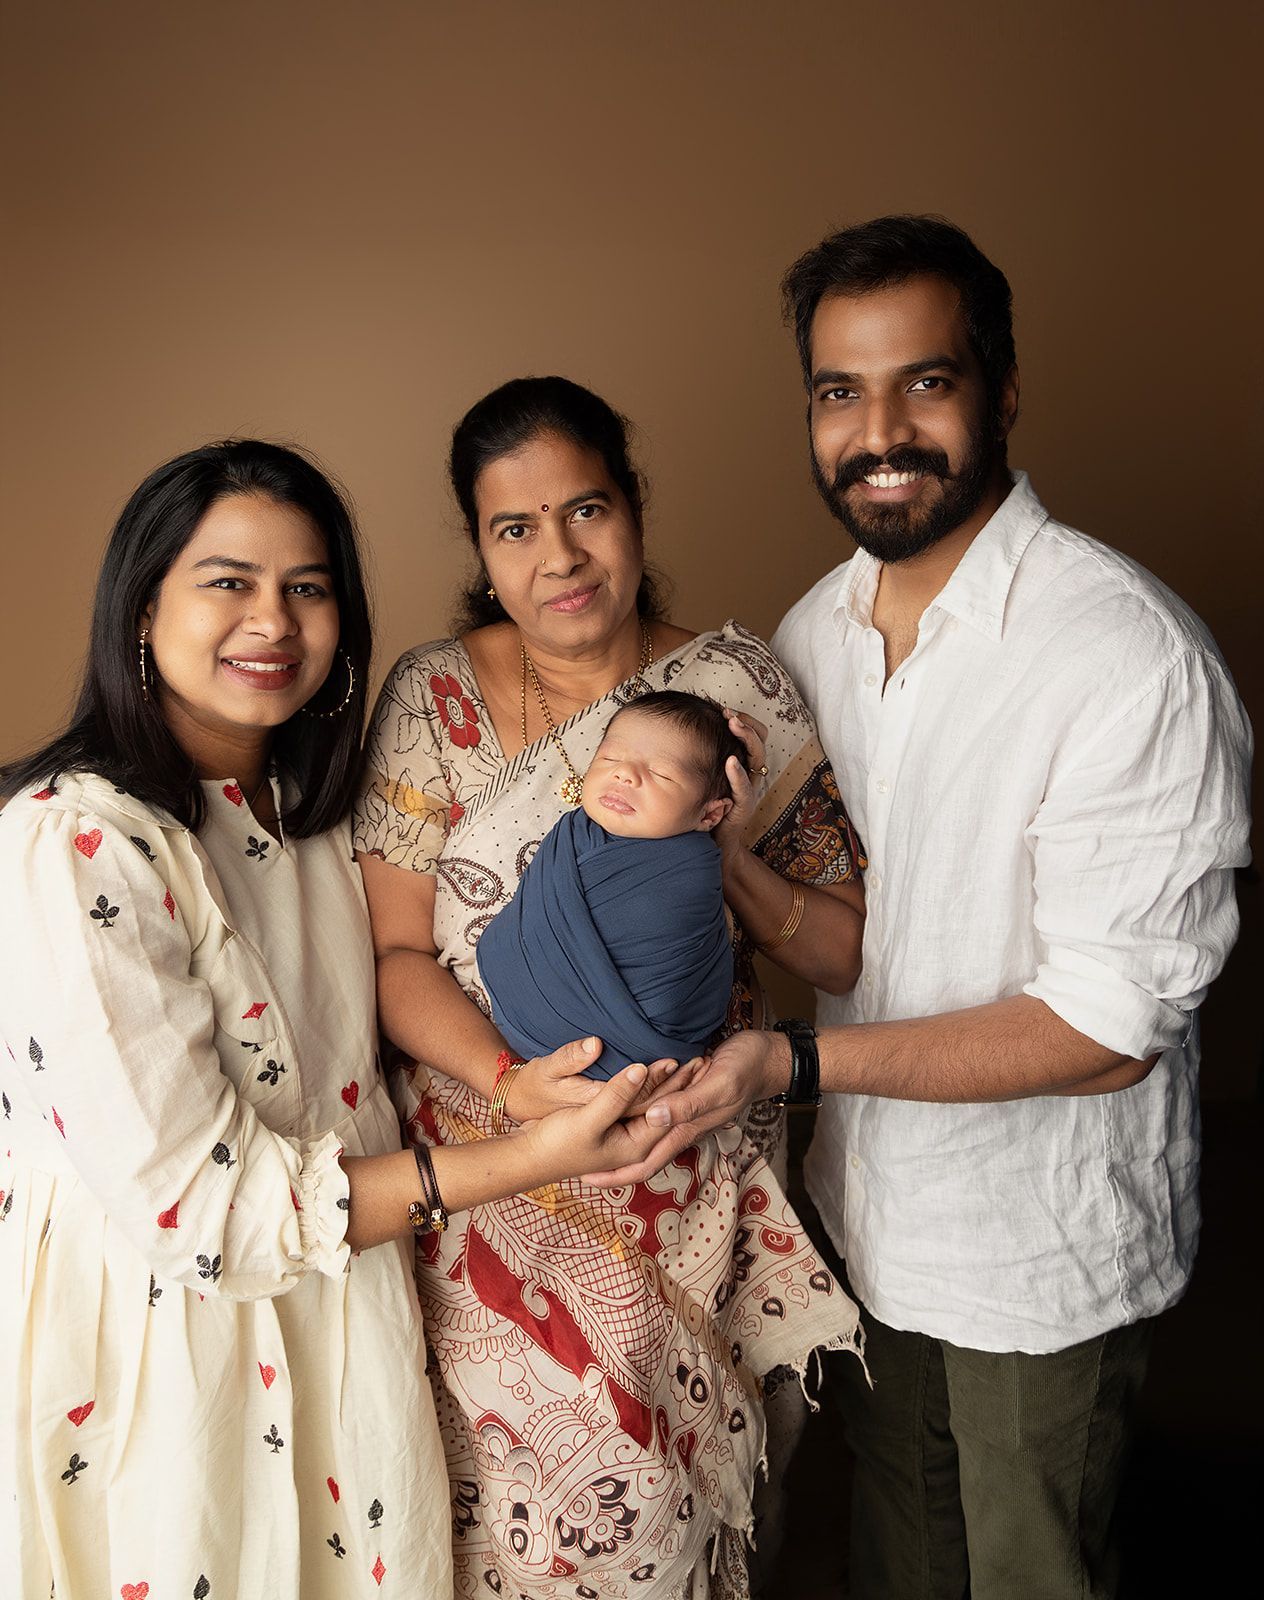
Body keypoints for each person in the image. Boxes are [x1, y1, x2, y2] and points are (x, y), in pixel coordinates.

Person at [614, 216, 1254, 1600]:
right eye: (840, 391)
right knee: (899, 1566)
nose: (880, 430)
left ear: (1004, 390)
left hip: (1040, 1255)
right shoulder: (804, 639)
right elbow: (825, 919)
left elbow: (1107, 1031)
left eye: (928, 381)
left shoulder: (1126, 658)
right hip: (867, 1229)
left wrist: (787, 1065)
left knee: (1031, 1579)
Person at [0, 440, 679, 1600]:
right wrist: (523, 1157)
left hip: (345, 1307)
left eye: (305, 588)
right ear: (140, 605)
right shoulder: (79, 841)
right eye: (227, 581)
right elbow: (206, 1210)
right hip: (177, 1346)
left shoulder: (312, 820)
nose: (271, 620)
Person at [353, 376, 867, 1599]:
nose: (559, 556)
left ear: (633, 507)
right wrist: (512, 1086)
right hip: (491, 1192)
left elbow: (841, 952)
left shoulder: (740, 691)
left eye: (586, 509)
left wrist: (727, 856)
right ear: (481, 549)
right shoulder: (434, 700)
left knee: (674, 1534)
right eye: (514, 528)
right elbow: (398, 957)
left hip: (695, 1176)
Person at [479, 690, 746, 1081]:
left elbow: (675, 991)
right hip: (515, 1056)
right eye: (610, 758)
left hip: (639, 1061)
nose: (624, 774)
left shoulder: (691, 869)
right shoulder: (571, 834)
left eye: (660, 773)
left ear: (710, 813)